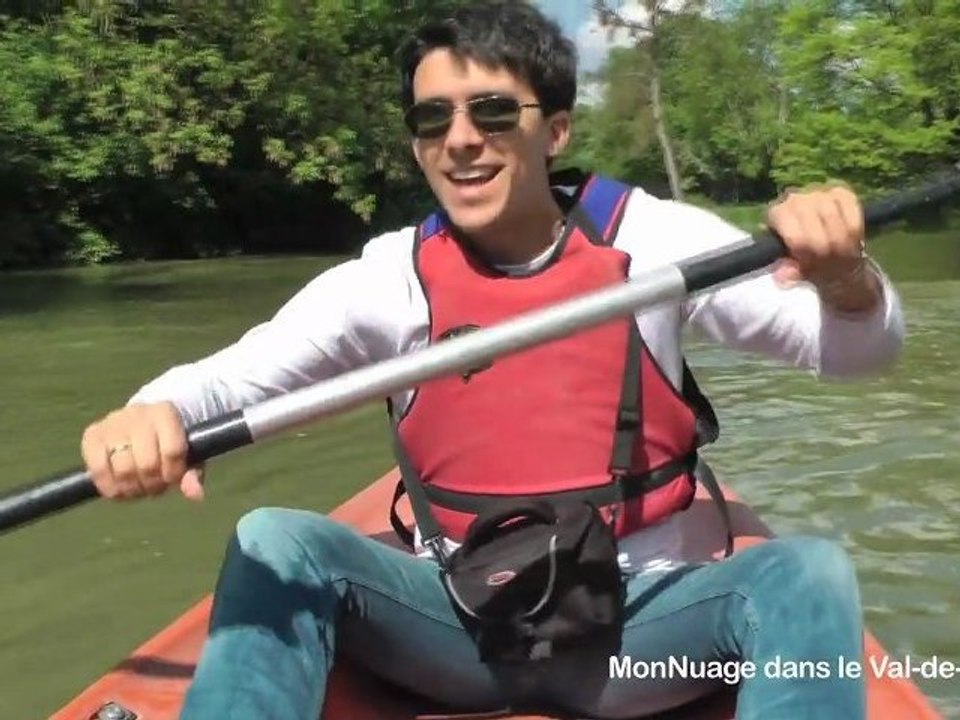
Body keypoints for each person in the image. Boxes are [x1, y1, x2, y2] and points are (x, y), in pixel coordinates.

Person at [80, 3, 904, 719]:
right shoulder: (387, 278)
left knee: (809, 573)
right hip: (458, 624)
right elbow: (229, 381)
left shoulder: (656, 241)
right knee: (273, 537)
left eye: (492, 113)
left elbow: (857, 354)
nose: (461, 140)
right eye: (433, 119)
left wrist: (847, 278)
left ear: (556, 130)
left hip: (645, 629)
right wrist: (151, 413)